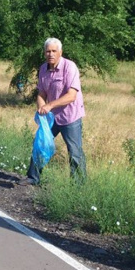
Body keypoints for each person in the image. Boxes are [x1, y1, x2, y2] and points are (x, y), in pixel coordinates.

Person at [18, 38, 87, 186]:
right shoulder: (43, 68)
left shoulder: (70, 67)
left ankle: (78, 186)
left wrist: (49, 105)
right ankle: (33, 177)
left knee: (75, 152)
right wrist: (42, 106)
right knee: (40, 144)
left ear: (60, 52)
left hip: (70, 116)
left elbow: (71, 95)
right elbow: (41, 93)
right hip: (51, 118)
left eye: (54, 51)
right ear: (44, 53)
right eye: (48, 51)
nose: (51, 54)